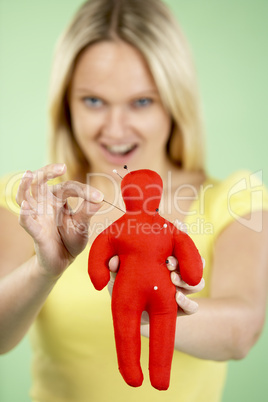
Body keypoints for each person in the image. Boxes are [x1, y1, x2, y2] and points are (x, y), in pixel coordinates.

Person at [0, 0, 268, 401]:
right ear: (66, 105)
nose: (115, 128)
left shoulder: (234, 197)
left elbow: (242, 331)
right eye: (93, 101)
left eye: (141, 101)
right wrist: (44, 268)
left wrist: (154, 310)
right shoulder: (31, 200)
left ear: (174, 103)